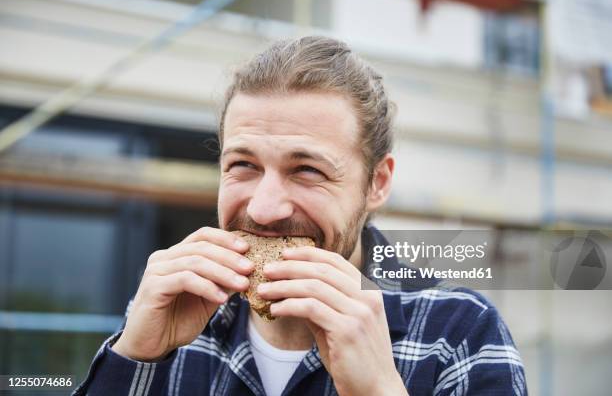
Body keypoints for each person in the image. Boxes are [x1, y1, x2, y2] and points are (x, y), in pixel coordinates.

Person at [74, 36, 527, 396]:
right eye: (243, 165)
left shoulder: (459, 334)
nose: (264, 209)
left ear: (377, 183)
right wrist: (132, 358)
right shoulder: (171, 314)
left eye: (306, 170)